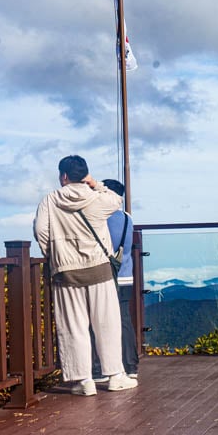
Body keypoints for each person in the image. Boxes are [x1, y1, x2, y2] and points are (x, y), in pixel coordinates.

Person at [34, 155, 138, 395]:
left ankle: (84, 381)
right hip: (99, 269)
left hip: (66, 272)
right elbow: (116, 200)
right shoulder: (96, 198)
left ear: (63, 176)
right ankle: (114, 376)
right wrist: (95, 183)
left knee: (73, 327)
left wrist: (56, 257)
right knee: (107, 324)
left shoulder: (49, 201)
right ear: (85, 175)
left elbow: (41, 231)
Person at [91, 179, 139, 381]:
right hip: (126, 275)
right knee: (124, 320)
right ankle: (130, 366)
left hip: (103, 276)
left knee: (96, 321)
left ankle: (98, 368)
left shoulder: (100, 218)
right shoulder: (127, 218)